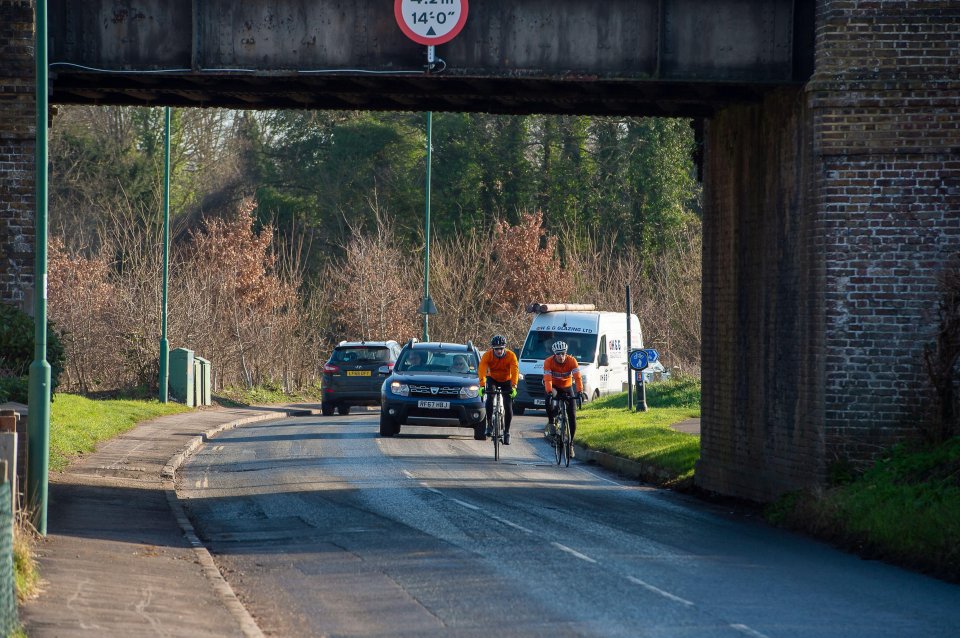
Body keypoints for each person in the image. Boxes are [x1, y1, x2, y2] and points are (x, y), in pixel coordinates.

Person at [543, 340, 584, 456]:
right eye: (559, 354)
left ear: (566, 353)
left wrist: (580, 391)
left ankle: (570, 444)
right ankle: (551, 422)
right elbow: (547, 379)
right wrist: (550, 392)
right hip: (554, 386)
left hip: (567, 387)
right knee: (548, 399)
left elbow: (578, 378)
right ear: (554, 354)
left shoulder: (572, 361)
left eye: (563, 353)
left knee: (572, 416)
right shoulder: (548, 362)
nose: (561, 356)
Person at [477, 335, 519, 444]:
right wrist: (482, 386)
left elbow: (515, 371)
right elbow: (482, 369)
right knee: (489, 398)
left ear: (504, 348)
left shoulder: (511, 355)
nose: (499, 351)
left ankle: (507, 432)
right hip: (493, 378)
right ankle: (490, 424)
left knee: (508, 405)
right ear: (493, 349)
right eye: (496, 349)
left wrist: (514, 386)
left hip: (507, 380)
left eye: (501, 348)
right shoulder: (487, 355)